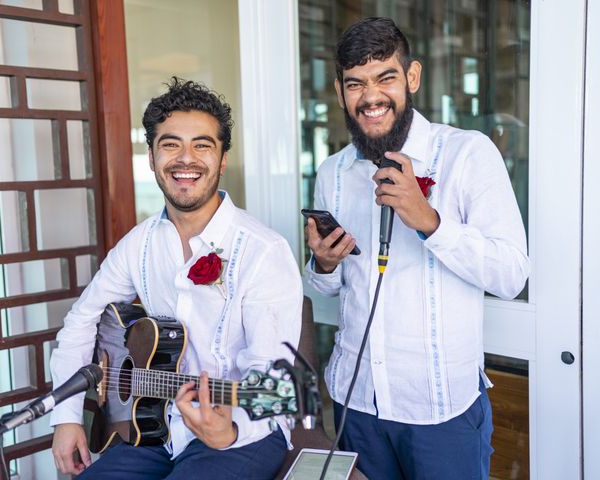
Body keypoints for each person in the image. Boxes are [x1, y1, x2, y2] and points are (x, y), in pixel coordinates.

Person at [304, 17, 530, 479]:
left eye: (385, 77)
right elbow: (326, 288)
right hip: (356, 401)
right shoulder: (332, 172)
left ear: (412, 77)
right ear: (340, 89)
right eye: (355, 83)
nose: (370, 97)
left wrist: (429, 221)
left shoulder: (468, 154)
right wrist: (323, 264)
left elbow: (511, 275)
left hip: (440, 410)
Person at [50, 77, 302, 479]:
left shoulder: (262, 251)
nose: (186, 159)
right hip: (152, 428)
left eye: (202, 145)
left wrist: (229, 430)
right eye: (171, 144)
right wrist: (66, 418)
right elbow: (80, 322)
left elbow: (268, 373)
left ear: (222, 160)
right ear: (151, 157)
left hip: (242, 431)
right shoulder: (139, 243)